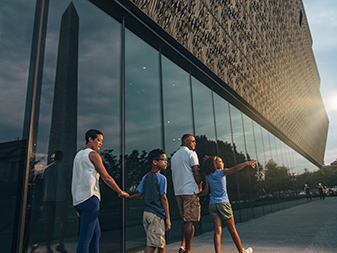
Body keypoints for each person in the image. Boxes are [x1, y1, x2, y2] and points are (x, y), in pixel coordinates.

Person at [71, 129, 128, 253]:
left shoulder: (78, 156)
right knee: (85, 239)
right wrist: (120, 191)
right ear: (90, 139)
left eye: (102, 141)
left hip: (79, 201)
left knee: (96, 234)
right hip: (90, 199)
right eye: (98, 140)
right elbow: (106, 177)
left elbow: (76, 179)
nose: (100, 143)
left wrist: (78, 204)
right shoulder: (93, 155)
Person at [198, 156, 256, 253]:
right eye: (220, 161)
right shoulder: (221, 172)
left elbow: (205, 191)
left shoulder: (208, 176)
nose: (223, 163)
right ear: (215, 164)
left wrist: (196, 194)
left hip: (213, 205)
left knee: (217, 231)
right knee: (232, 230)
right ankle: (241, 251)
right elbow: (235, 168)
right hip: (223, 203)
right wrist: (247, 163)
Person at [126, 148, 171, 253]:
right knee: (153, 246)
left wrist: (127, 197)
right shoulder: (162, 178)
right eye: (163, 159)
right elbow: (163, 198)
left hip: (147, 214)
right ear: (154, 162)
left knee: (159, 243)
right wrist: (168, 218)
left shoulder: (145, 177)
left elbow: (138, 195)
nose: (166, 162)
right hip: (156, 215)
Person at [171, 134, 202, 253]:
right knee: (190, 222)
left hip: (178, 192)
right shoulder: (191, 154)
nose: (194, 143)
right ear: (185, 141)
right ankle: (188, 251)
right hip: (189, 191)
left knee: (185, 220)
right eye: (192, 141)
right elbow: (196, 172)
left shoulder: (174, 156)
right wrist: (200, 186)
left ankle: (182, 246)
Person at [43, 150, 71, 253]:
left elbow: (43, 183)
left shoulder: (47, 169)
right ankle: (61, 243)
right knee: (64, 221)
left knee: (48, 223)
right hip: (61, 198)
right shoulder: (66, 168)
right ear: (62, 157)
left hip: (48, 198)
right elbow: (68, 183)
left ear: (54, 157)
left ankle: (48, 247)